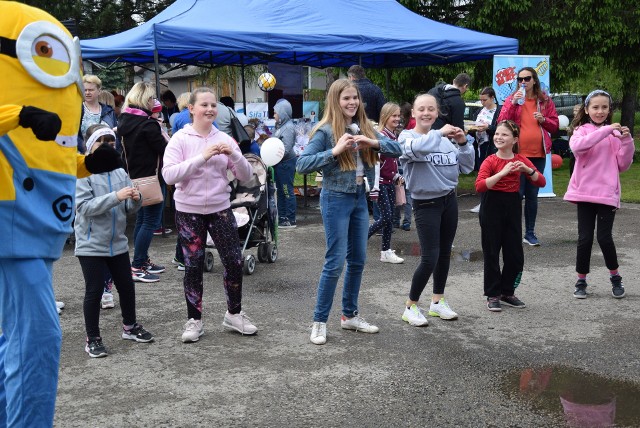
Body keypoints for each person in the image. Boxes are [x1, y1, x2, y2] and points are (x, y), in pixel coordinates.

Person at [0, 3, 121, 425]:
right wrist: (19, 113)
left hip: (35, 230)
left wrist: (88, 165)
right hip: (12, 226)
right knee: (37, 338)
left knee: (14, 337)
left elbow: (49, 159)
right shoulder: (16, 108)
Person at [297, 79, 401, 345]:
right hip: (335, 199)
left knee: (358, 261)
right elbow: (303, 164)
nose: (352, 102)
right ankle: (319, 322)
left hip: (358, 198)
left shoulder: (365, 127)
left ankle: (349, 316)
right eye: (346, 98)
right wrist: (335, 151)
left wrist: (372, 142)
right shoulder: (325, 131)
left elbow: (397, 149)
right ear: (336, 101)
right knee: (335, 262)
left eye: (355, 98)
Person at [162, 87, 258, 342]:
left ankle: (234, 314)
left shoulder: (225, 139)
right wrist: (202, 157)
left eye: (213, 105)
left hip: (219, 208)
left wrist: (234, 154)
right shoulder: (180, 139)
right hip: (188, 210)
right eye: (204, 104)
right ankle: (194, 320)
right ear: (191, 109)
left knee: (234, 260)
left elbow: (247, 176)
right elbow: (169, 175)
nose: (210, 109)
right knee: (193, 265)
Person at [75, 125, 154, 357]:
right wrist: (116, 196)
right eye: (102, 142)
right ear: (90, 146)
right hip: (91, 245)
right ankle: (93, 338)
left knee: (127, 287)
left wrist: (135, 199)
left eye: (111, 142)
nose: (107, 146)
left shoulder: (120, 171)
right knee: (94, 290)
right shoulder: (83, 172)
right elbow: (83, 208)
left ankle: (130, 327)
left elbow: (128, 207)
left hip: (117, 243)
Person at [398, 93, 474, 327]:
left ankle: (437, 302)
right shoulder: (407, 136)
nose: (426, 113)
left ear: (437, 112)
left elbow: (467, 166)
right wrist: (438, 133)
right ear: (413, 113)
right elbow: (415, 151)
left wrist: (462, 143)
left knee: (444, 253)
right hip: (426, 203)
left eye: (431, 109)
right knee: (429, 257)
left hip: (449, 201)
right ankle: (410, 306)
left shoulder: (445, 140)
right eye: (421, 109)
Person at [563, 90, 634, 299]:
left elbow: (623, 165)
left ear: (609, 109)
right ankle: (581, 280)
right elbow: (578, 147)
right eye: (595, 107)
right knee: (584, 239)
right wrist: (606, 131)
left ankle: (615, 277)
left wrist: (627, 141)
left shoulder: (615, 135)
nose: (600, 111)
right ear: (586, 109)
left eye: (604, 107)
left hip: (607, 194)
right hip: (585, 193)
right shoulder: (580, 131)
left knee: (605, 238)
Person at [475, 120, 546, 312]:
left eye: (504, 135)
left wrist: (527, 170)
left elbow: (541, 181)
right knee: (491, 252)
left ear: (515, 139)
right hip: (492, 205)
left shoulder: (520, 159)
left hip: (512, 205)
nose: (499, 137)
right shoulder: (490, 160)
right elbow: (480, 186)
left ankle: (507, 291)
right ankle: (493, 294)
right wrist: (502, 173)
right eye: (497, 134)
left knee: (514, 254)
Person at [497, 67, 559, 246]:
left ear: (534, 80)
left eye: (527, 78)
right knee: (517, 194)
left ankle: (529, 233)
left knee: (532, 195)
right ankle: (512, 231)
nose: (523, 82)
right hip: (518, 154)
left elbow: (554, 126)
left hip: (538, 154)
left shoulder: (545, 101)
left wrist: (544, 120)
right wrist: (512, 103)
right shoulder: (513, 99)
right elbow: (502, 122)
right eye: (520, 79)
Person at [118, 82, 168, 282]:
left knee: (142, 219)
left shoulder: (125, 121)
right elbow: (164, 149)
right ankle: (137, 265)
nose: (153, 101)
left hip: (135, 176)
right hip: (151, 176)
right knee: (150, 221)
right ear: (144, 100)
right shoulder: (148, 124)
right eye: (151, 98)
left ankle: (142, 260)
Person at [368, 102, 404, 264]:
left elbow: (391, 163)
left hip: (389, 182)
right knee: (387, 216)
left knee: (388, 218)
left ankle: (386, 251)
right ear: (385, 117)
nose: (397, 118)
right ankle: (361, 238)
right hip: (380, 183)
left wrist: (396, 175)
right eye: (393, 116)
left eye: (398, 115)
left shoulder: (393, 136)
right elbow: (376, 164)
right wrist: (374, 187)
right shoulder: (380, 136)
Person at [469, 87, 503, 213]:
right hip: (480, 146)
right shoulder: (479, 111)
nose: (482, 102)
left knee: (493, 173)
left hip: (493, 146)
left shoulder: (499, 111)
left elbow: (501, 129)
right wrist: (472, 130)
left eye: (485, 100)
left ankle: (493, 202)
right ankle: (484, 202)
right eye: (481, 100)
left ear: (492, 98)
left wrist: (488, 128)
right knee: (483, 174)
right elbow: (474, 127)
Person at [273, 99, 298, 228]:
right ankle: (282, 217)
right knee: (281, 191)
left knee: (286, 190)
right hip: (279, 163)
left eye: (275, 112)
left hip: (285, 163)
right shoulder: (281, 126)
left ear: (282, 113)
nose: (273, 115)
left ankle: (290, 218)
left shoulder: (288, 128)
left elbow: (286, 148)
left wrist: (273, 157)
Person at [78, 74, 118, 153]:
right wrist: (85, 149)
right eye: (85, 90)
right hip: (84, 155)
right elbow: (74, 136)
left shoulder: (109, 111)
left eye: (91, 90)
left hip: (107, 155)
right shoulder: (78, 110)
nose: (87, 92)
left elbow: (115, 136)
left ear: (99, 91)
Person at [394, 102, 414, 231]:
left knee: (398, 192)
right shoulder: (413, 124)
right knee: (407, 195)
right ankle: (406, 222)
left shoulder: (399, 127)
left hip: (399, 163)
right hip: (409, 164)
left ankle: (396, 220)